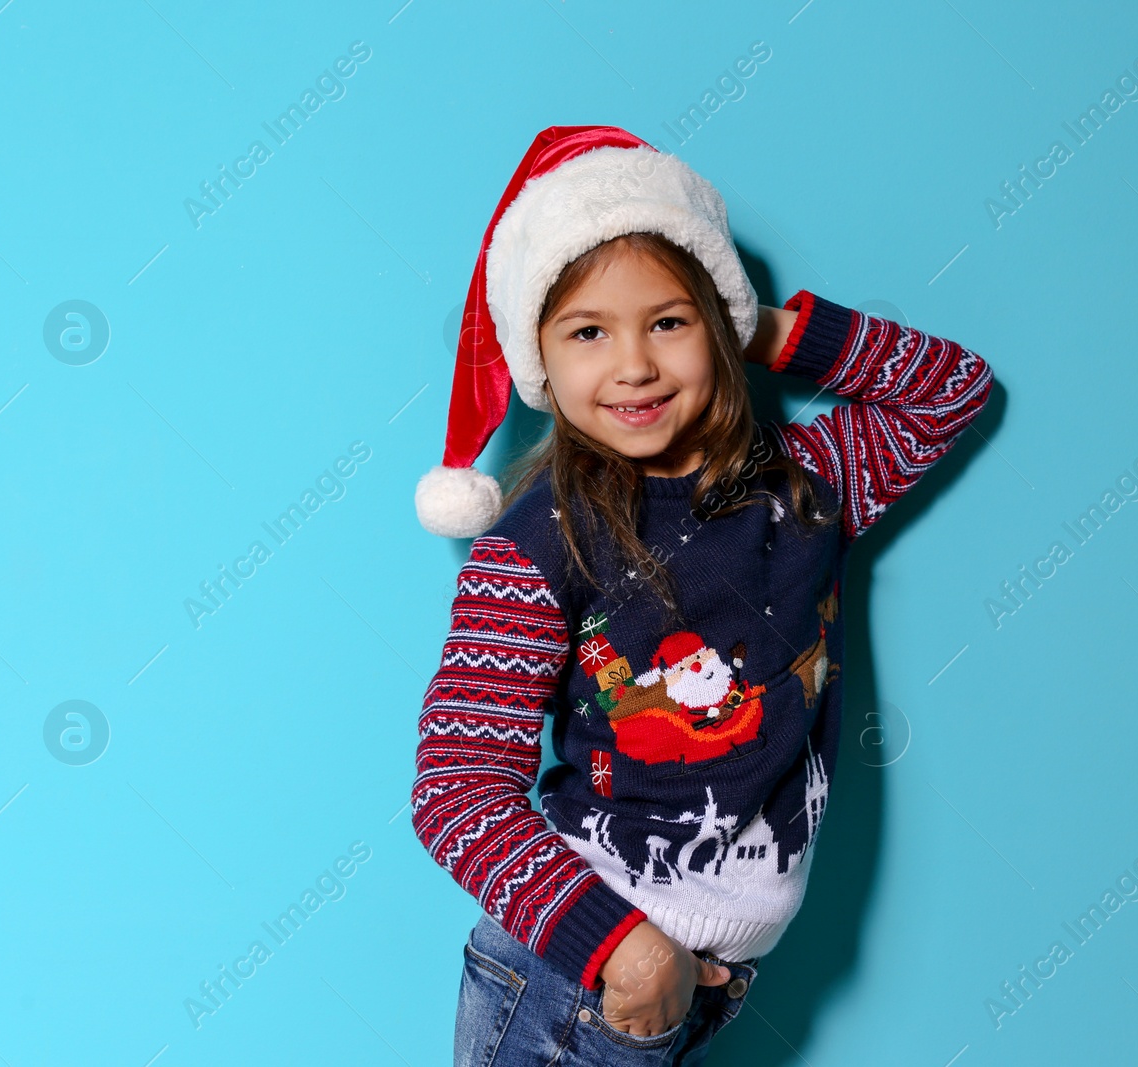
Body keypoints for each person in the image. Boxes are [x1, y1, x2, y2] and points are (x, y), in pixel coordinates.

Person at [410, 125, 994, 1065]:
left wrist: (754, 324)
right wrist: (623, 945)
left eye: (669, 321)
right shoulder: (536, 544)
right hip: (585, 973)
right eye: (589, 332)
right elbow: (455, 791)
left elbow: (949, 390)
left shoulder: (805, 487)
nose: (634, 364)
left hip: (698, 975)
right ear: (542, 362)